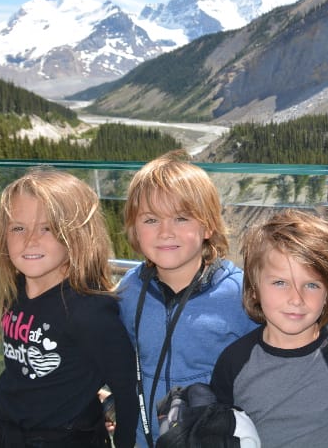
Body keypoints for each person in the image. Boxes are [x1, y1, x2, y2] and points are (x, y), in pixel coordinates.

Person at [0, 168, 138, 448]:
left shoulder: (90, 312)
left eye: (48, 227)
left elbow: (127, 392)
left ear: (77, 235)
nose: (30, 239)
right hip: (4, 432)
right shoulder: (15, 291)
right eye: (18, 227)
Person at [116, 151, 258, 448]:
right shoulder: (129, 291)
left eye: (181, 218)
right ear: (134, 229)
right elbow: (122, 360)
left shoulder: (239, 294)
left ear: (208, 227)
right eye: (151, 219)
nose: (166, 232)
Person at [210, 208, 328, 448]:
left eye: (311, 285)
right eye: (280, 282)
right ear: (254, 289)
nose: (296, 298)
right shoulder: (233, 361)